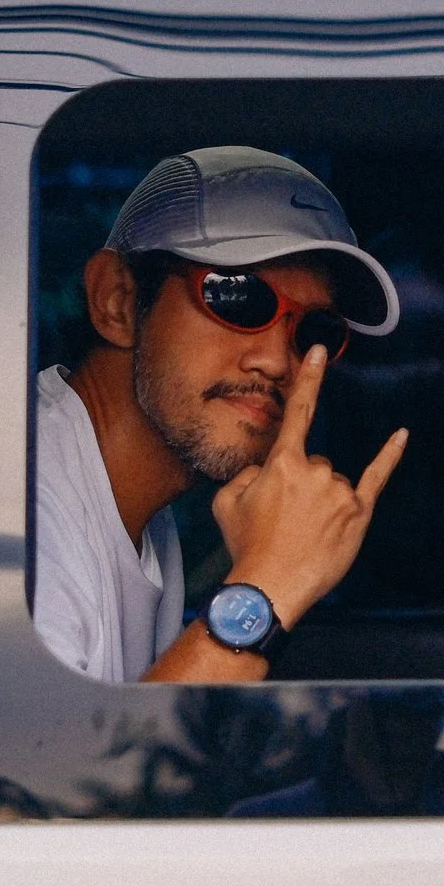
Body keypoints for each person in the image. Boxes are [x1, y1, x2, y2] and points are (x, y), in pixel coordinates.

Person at [32, 146, 408, 684]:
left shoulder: (144, 519)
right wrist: (266, 584)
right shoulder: (29, 517)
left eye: (314, 332)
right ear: (116, 301)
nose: (278, 361)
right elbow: (61, 768)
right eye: (237, 298)